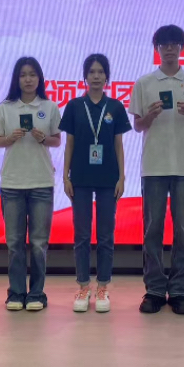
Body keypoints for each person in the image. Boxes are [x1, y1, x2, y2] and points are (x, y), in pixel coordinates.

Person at [129, 24, 184, 315]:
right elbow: (137, 125)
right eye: (164, 45)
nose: (170, 49)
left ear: (182, 48)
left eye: (175, 44)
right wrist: (149, 116)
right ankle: (153, 289)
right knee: (152, 229)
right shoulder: (145, 82)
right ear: (157, 49)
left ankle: (179, 291)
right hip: (153, 166)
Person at [60, 54, 131, 313]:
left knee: (105, 235)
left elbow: (118, 144)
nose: (97, 76)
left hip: (108, 178)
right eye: (92, 72)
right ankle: (82, 286)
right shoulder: (74, 106)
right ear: (85, 76)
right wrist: (65, 176)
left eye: (101, 72)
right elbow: (69, 143)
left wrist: (122, 177)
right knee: (81, 235)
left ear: (107, 76)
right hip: (80, 177)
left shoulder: (116, 107)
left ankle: (102, 286)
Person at [0, 57, 62, 312]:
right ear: (17, 79)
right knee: (14, 243)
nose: (28, 79)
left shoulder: (49, 106)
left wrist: (44, 138)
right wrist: (10, 138)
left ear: (39, 78)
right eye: (23, 75)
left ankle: (37, 294)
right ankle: (16, 292)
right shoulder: (5, 108)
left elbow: (57, 140)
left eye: (32, 74)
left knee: (39, 244)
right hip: (12, 182)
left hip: (41, 182)